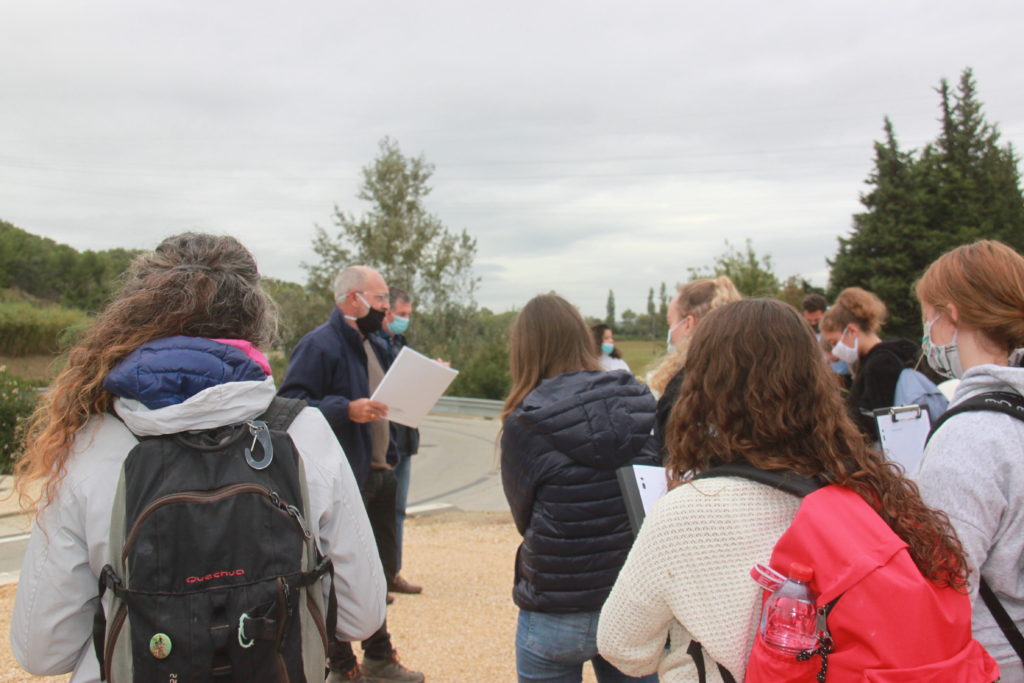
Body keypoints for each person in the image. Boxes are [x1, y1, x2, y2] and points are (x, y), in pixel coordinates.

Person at [10, 233, 387, 681]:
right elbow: (361, 616)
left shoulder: (93, 441)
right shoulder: (303, 432)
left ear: (135, 315)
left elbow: (42, 652)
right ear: (256, 318)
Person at [597, 298, 994, 680]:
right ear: (814, 380)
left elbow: (624, 649)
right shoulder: (873, 487)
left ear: (702, 389)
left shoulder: (685, 512)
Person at [501, 294, 659, 683]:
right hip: (630, 597)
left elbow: (523, 514)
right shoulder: (640, 400)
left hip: (556, 598)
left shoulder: (526, 421)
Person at [279, 265, 423, 683]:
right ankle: (341, 665)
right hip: (343, 477)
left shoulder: (373, 342)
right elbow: (290, 404)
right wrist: (346, 410)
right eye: (379, 300)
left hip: (379, 472)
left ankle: (379, 657)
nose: (384, 308)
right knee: (337, 574)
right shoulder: (318, 345)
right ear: (352, 299)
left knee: (375, 572)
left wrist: (390, 453)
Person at [914, 240, 1024, 681]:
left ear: (952, 315)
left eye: (928, 318)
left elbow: (945, 587)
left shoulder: (970, 435)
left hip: (993, 662)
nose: (927, 334)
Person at [647, 276, 741, 446]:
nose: (670, 332)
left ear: (688, 323)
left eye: (670, 322)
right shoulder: (748, 374)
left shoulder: (680, 386)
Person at [820, 286, 918, 442]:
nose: (835, 352)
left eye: (835, 342)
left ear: (851, 330)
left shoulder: (880, 365)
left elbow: (871, 425)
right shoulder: (880, 359)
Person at [378, 288, 423, 596]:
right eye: (402, 315)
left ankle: (393, 571)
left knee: (398, 510)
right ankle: (375, 578)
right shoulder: (376, 345)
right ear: (388, 312)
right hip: (383, 439)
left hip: (405, 437)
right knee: (378, 510)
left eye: (409, 315)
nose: (406, 321)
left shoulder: (401, 344)